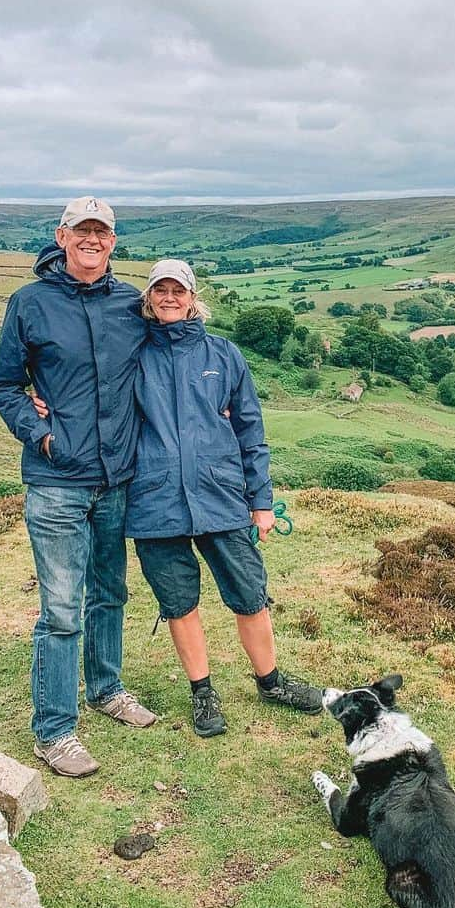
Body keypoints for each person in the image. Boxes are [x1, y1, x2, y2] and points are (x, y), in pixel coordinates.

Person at [0, 196, 155, 778]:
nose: (92, 239)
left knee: (110, 593)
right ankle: (54, 732)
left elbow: (172, 353)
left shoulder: (132, 303)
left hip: (117, 480)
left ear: (113, 240)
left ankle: (106, 689)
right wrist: (40, 435)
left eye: (101, 231)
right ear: (62, 237)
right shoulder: (29, 303)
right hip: (57, 480)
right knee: (61, 610)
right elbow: (6, 384)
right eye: (81, 230)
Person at [125, 259, 323, 737]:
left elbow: (250, 429)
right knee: (179, 602)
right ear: (149, 300)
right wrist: (36, 395)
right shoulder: (130, 356)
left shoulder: (225, 355)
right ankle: (202, 692)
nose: (170, 297)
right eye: (161, 290)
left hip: (221, 496)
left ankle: (270, 682)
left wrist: (260, 500)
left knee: (250, 595)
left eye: (179, 290)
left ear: (194, 299)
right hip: (155, 500)